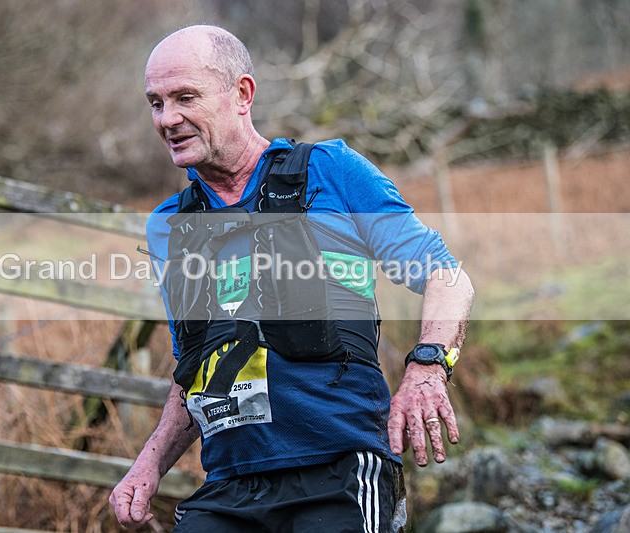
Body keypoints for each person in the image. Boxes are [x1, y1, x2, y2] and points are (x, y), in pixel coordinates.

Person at [110, 24, 474, 532]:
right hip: (229, 486)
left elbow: (445, 275)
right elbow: (195, 370)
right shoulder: (170, 227)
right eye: (155, 103)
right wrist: (148, 464)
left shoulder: (331, 173)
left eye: (185, 97)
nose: (168, 119)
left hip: (340, 469)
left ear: (242, 94)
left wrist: (429, 366)